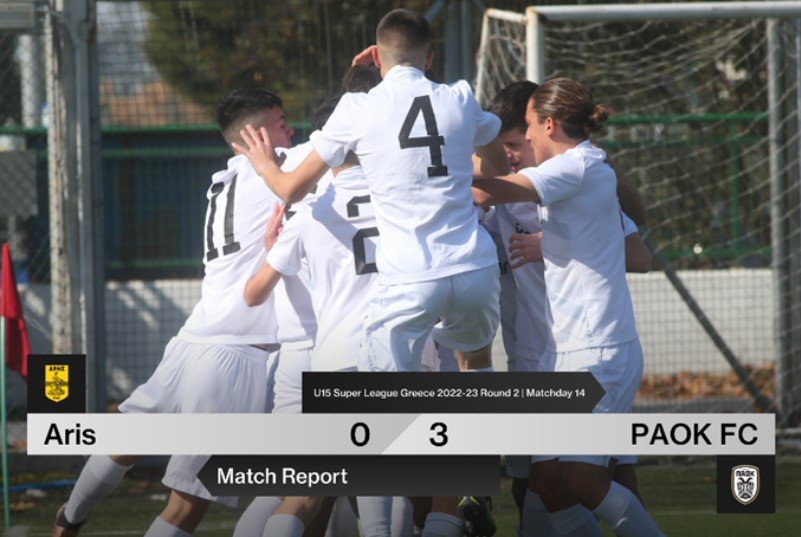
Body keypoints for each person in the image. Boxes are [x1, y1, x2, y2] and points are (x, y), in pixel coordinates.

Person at [51, 90, 293, 537]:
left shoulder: (222, 180)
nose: (291, 131)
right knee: (188, 503)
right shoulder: (279, 168)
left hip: (192, 339)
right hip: (235, 355)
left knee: (127, 439)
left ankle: (69, 519)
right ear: (256, 135)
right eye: (281, 123)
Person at [473, 78, 664, 537]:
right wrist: (560, 244)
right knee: (546, 483)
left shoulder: (574, 168)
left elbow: (486, 192)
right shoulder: (572, 172)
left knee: (586, 477)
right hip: (554, 355)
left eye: (524, 132)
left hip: (596, 349)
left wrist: (419, 175)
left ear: (548, 125)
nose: (521, 143)